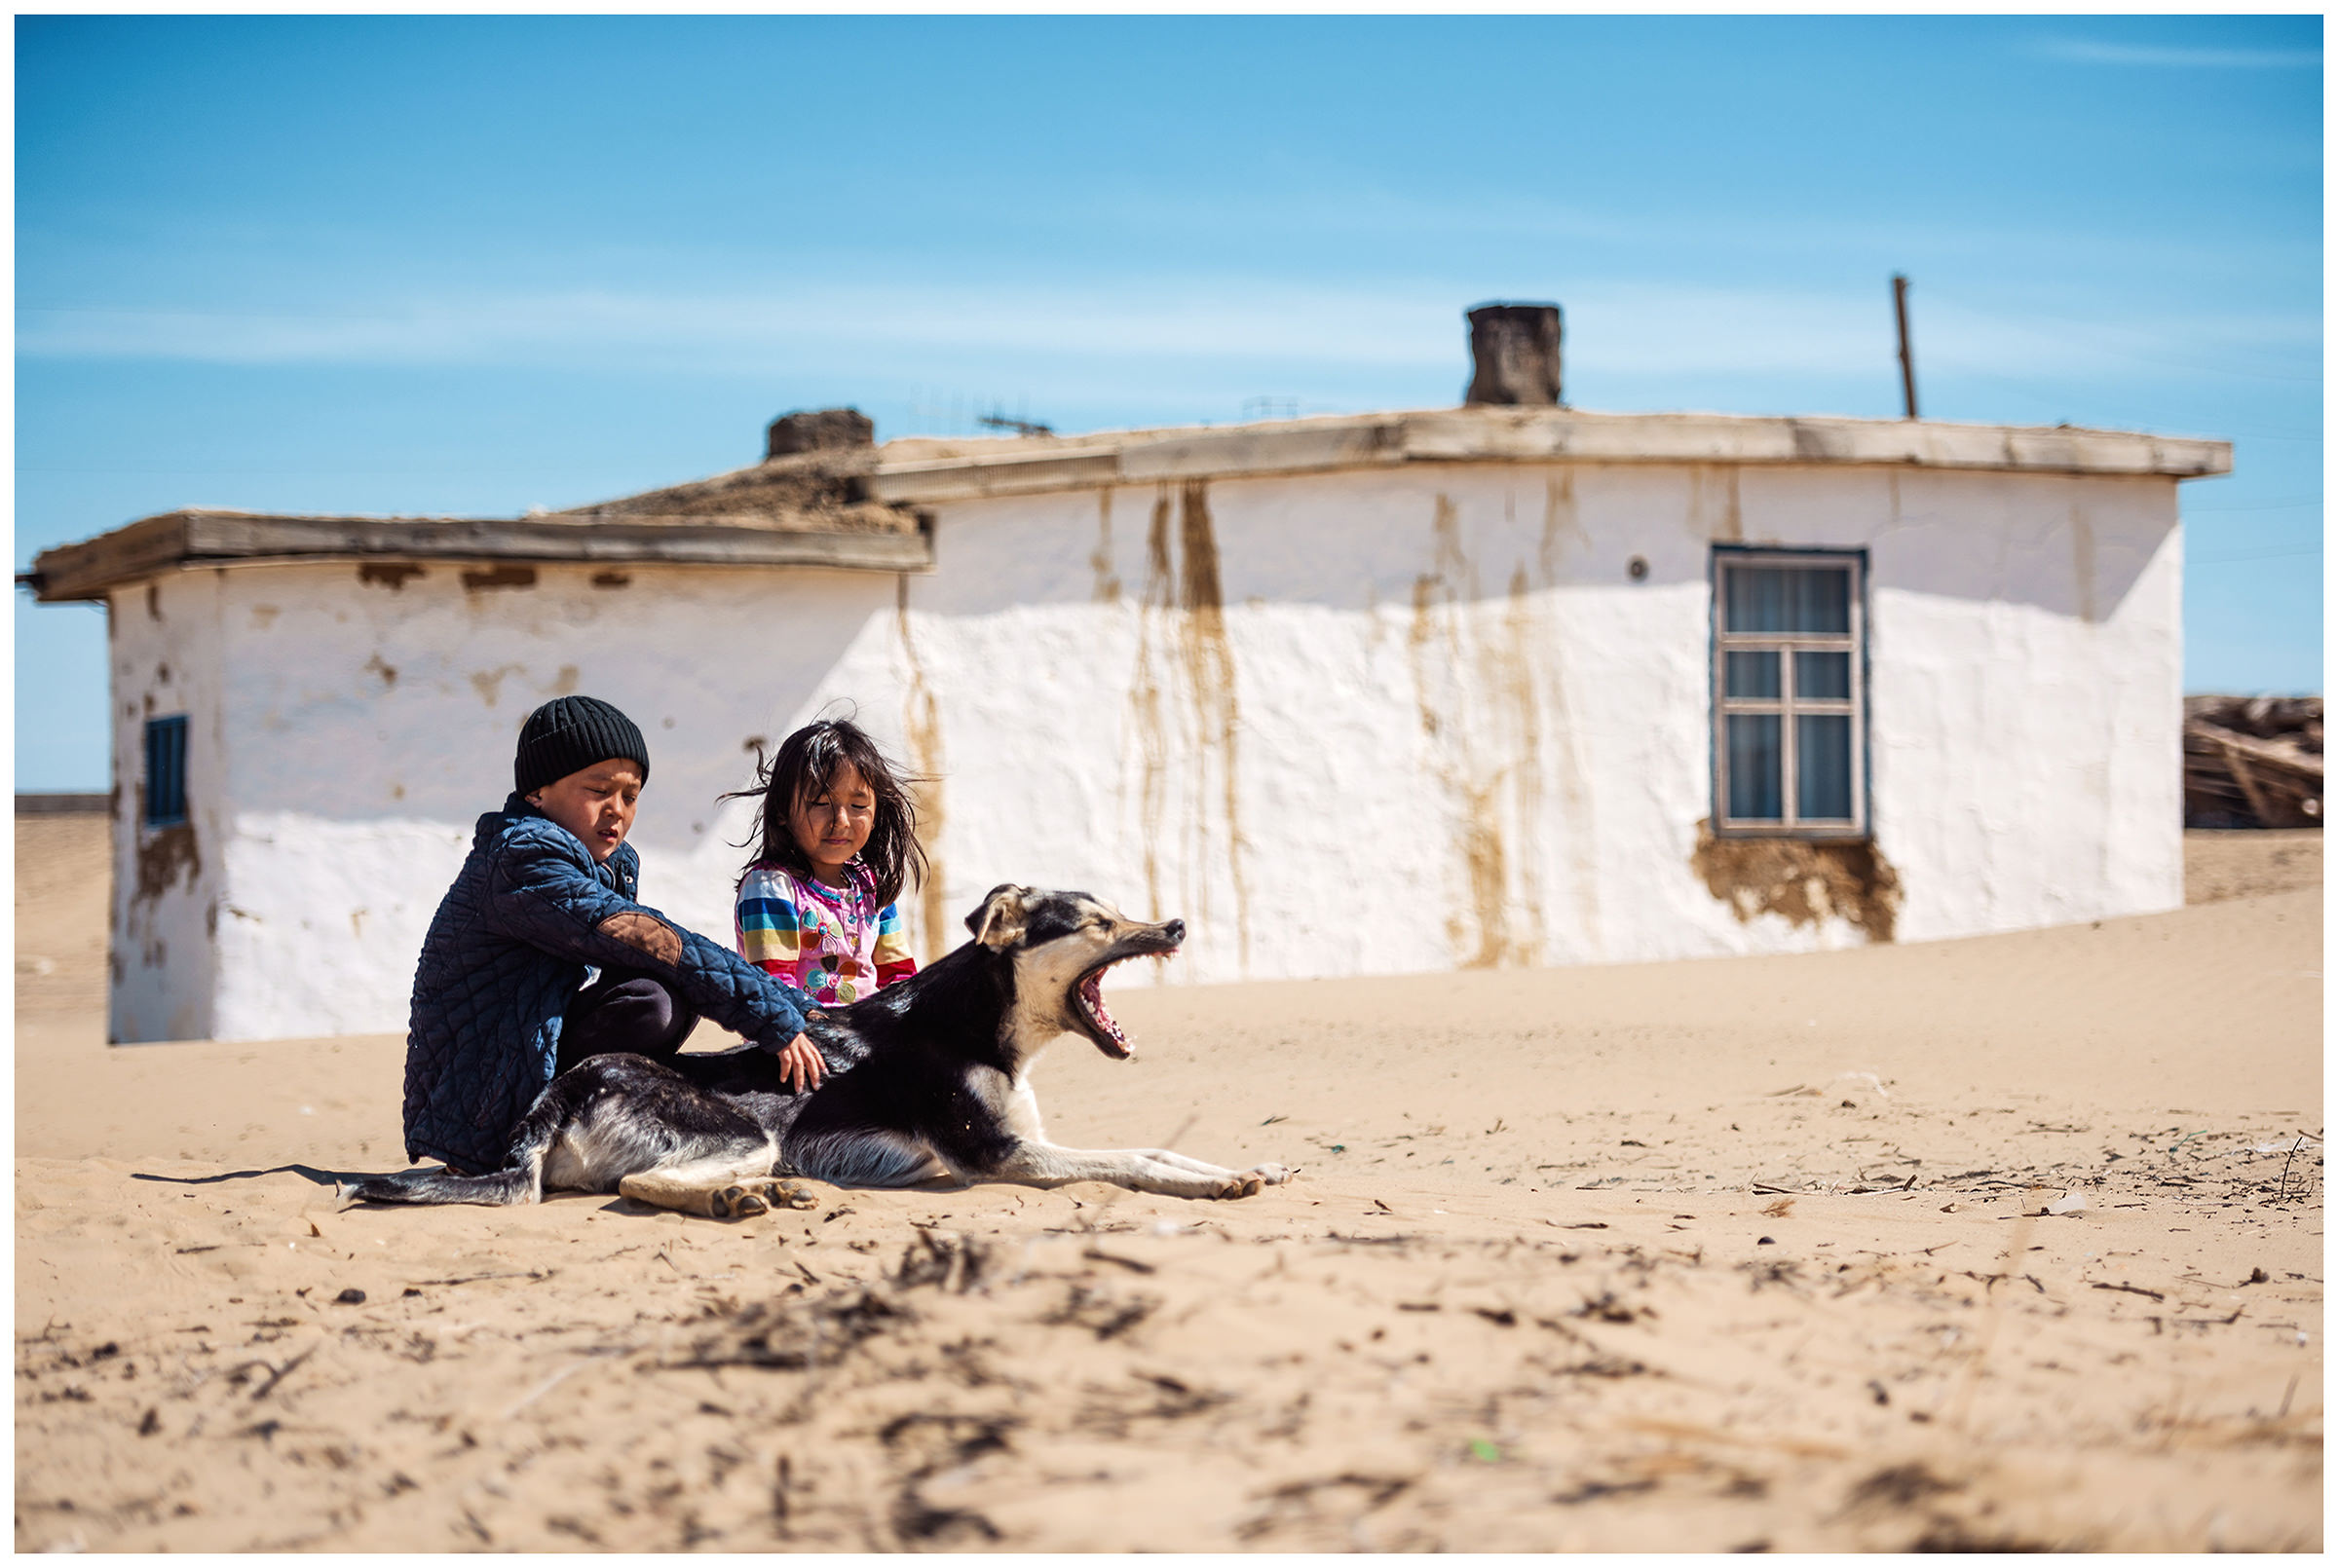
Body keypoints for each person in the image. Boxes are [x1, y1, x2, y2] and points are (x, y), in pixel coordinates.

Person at [402, 695, 830, 1176]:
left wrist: (804, 1010)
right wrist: (774, 1015)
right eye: (598, 790)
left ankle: (599, 1122)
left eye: (630, 796)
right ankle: (542, 1135)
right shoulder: (523, 860)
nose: (617, 811)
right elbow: (651, 941)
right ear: (537, 793)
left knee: (657, 994)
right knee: (656, 1000)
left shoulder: (606, 863)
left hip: (528, 1047)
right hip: (486, 1088)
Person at [730, 718, 927, 1007]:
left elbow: (900, 980)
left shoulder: (871, 886)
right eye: (821, 804)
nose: (841, 821)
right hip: (799, 1043)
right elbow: (774, 991)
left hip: (862, 1042)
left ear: (876, 814)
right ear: (783, 810)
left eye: (858, 806)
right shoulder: (772, 887)